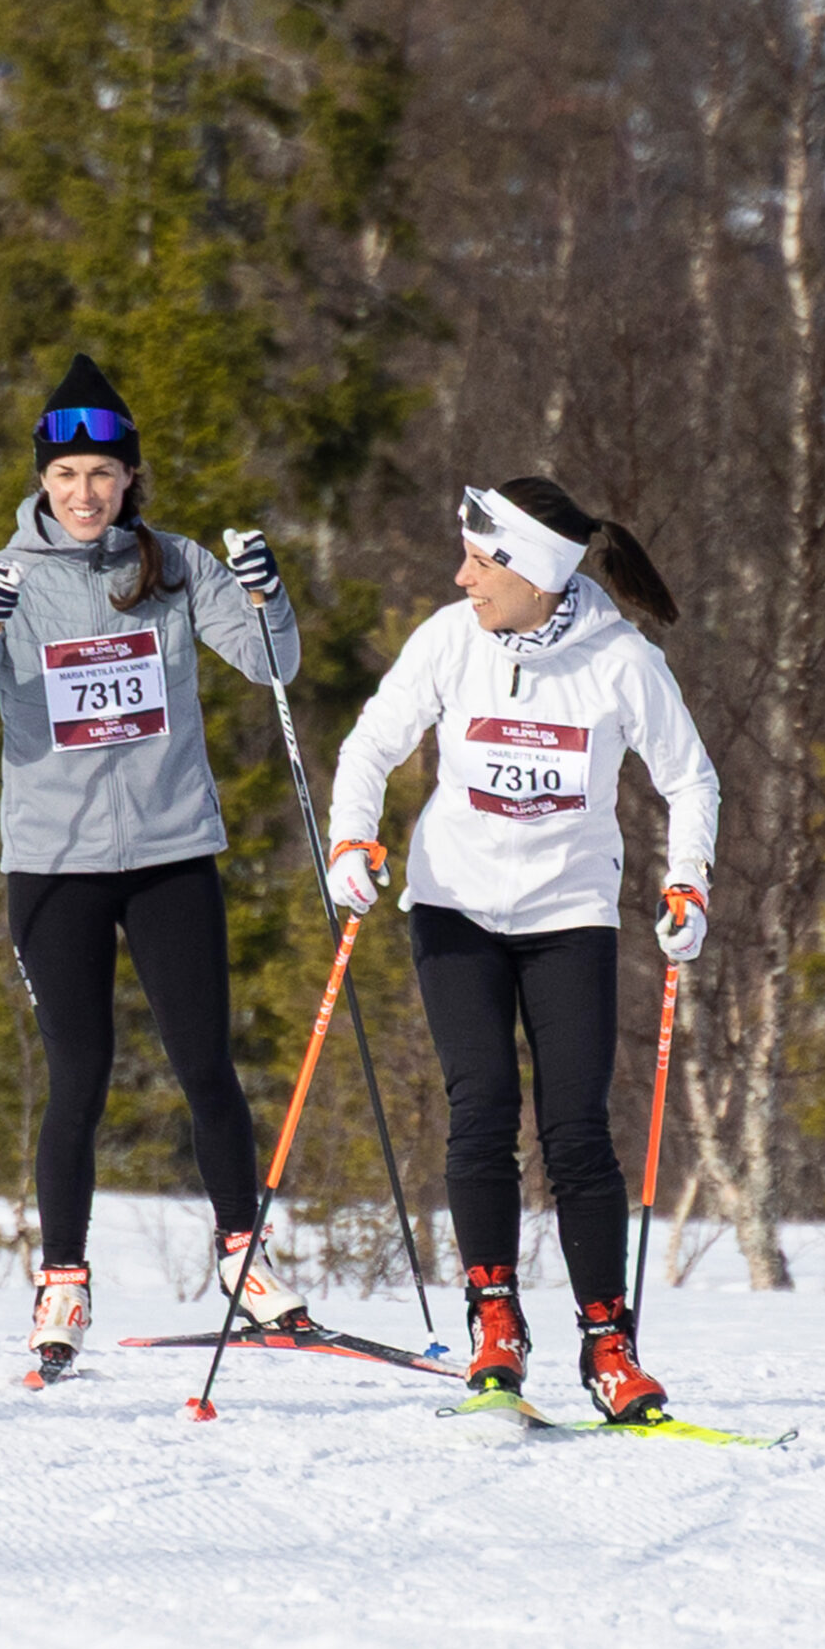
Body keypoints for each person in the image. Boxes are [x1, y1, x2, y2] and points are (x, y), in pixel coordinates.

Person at [0, 355, 305, 1381]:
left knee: (203, 1064)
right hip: (54, 863)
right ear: (40, 482)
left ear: (131, 477)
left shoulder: (175, 564)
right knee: (77, 1075)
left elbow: (271, 665)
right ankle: (62, 1278)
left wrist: (269, 597)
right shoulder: (1, 576)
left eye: (102, 474)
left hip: (171, 847)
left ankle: (241, 1257)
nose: (84, 493)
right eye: (65, 476)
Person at [326, 479, 719, 1422]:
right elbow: (370, 746)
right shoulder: (450, 639)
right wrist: (349, 839)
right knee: (482, 1112)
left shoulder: (623, 661)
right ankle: (494, 1322)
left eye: (481, 562)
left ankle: (609, 1346)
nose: (462, 576)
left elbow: (690, 780)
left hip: (569, 916)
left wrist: (689, 882)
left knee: (577, 1132)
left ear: (539, 573)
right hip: (454, 906)